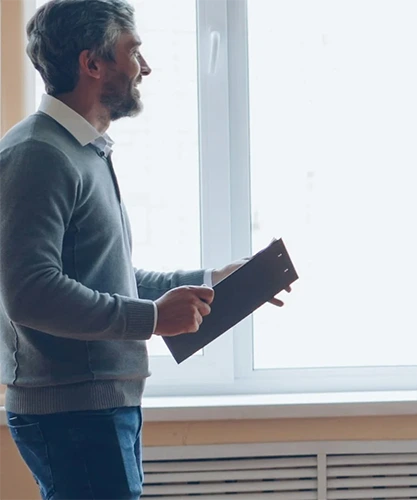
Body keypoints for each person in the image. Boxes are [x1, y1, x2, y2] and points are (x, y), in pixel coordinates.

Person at [0, 1, 290, 498]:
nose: (146, 67)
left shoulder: (81, 151)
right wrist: (151, 319)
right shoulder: (37, 155)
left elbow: (105, 278)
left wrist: (211, 280)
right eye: (133, 52)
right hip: (75, 414)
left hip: (99, 407)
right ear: (93, 64)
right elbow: (29, 293)